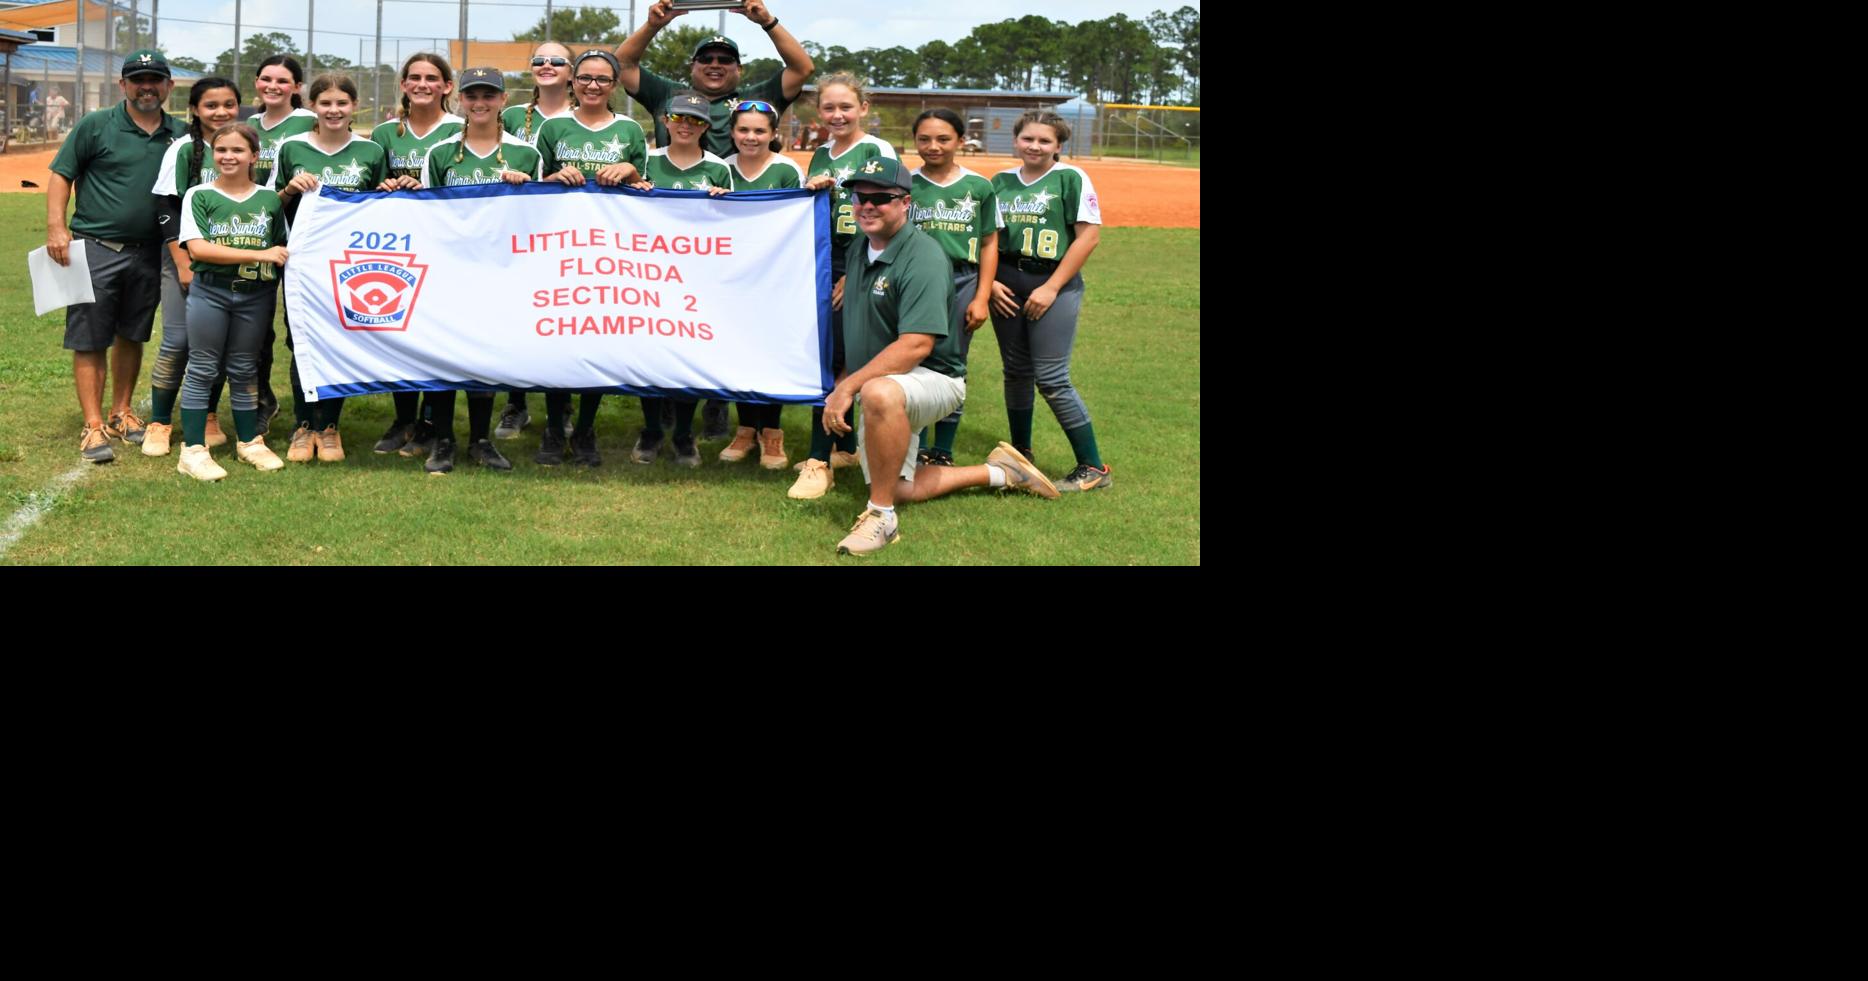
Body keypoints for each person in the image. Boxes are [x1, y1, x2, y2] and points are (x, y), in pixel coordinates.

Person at [821, 158, 1056, 556]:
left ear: (905, 203)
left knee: (877, 394)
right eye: (860, 196)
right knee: (896, 483)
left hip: (934, 378)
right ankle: (1001, 472)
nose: (867, 205)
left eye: (881, 197)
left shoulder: (924, 257)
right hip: (891, 381)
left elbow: (917, 345)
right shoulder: (864, 244)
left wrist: (847, 388)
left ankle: (881, 518)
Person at [616, 0, 815, 441]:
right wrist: (653, 25)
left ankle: (717, 402)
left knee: (720, 318)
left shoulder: (756, 100)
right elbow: (622, 63)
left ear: (739, 70)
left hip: (728, 234)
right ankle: (667, 398)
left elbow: (801, 68)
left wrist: (767, 21)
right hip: (666, 236)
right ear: (692, 66)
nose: (715, 65)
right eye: (706, 58)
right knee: (666, 318)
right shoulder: (666, 94)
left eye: (725, 60)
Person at [45, 49, 186, 463]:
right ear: (122, 85)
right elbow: (61, 174)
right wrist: (57, 225)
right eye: (138, 79)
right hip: (95, 247)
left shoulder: (179, 134)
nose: (147, 86)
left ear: (168, 86)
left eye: (155, 79)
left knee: (132, 333)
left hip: (150, 253)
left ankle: (122, 412)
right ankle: (92, 425)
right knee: (89, 338)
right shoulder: (96, 125)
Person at [416, 66, 544, 473]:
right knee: (445, 356)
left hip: (501, 271)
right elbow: (424, 212)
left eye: (490, 95)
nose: (480, 103)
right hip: (450, 269)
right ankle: (444, 441)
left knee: (485, 357)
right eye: (473, 95)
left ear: (504, 100)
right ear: (461, 101)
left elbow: (539, 218)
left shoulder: (527, 154)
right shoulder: (439, 153)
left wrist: (524, 187)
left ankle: (481, 440)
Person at [534, 49, 649, 468]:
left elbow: (646, 189)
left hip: (608, 253)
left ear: (614, 85)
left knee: (596, 339)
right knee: (557, 337)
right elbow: (531, 186)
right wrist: (551, 178)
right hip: (560, 247)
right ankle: (552, 425)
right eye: (585, 78)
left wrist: (632, 173)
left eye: (602, 79)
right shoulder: (553, 127)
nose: (593, 86)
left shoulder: (631, 130)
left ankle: (585, 428)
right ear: (572, 82)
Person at [271, 73, 390, 464]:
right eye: (326, 103)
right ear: (313, 106)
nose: (334, 110)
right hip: (303, 263)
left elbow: (378, 209)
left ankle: (329, 427)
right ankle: (304, 425)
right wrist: (290, 189)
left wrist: (388, 192)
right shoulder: (291, 147)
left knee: (338, 339)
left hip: (350, 262)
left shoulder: (370, 152)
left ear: (354, 106)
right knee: (300, 341)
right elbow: (272, 205)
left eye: (341, 103)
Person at [989, 110, 1110, 492]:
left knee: (1052, 377)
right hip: (1007, 281)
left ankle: (1093, 467)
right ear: (1016, 140)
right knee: (1016, 370)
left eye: (1044, 140)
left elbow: (1088, 237)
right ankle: (1021, 452)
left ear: (1059, 146)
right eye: (1028, 138)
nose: (1035, 146)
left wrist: (1052, 288)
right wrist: (989, 282)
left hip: (1051, 281)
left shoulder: (1069, 177)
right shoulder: (1001, 181)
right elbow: (988, 238)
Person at [789, 71, 894, 500]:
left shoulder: (877, 149)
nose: (837, 114)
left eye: (846, 106)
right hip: (826, 260)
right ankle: (845, 447)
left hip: (865, 260)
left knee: (843, 359)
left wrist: (856, 271)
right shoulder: (819, 153)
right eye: (829, 107)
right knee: (831, 354)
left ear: (863, 108)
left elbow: (890, 214)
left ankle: (818, 459)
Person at [172, 122, 290, 480]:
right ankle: (193, 450)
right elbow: (199, 248)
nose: (228, 156)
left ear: (254, 156)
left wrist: (270, 257)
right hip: (212, 291)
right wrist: (259, 255)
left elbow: (281, 248)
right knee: (203, 367)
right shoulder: (200, 194)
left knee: (243, 367)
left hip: (256, 295)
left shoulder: (269, 199)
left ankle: (249, 441)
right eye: (221, 150)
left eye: (238, 150)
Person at [622, 89, 731, 469]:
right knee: (648, 354)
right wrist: (634, 183)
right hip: (647, 274)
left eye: (696, 120)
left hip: (695, 278)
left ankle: (684, 432)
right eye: (680, 118)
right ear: (666, 120)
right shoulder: (647, 161)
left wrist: (724, 199)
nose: (687, 126)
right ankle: (652, 428)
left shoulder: (718, 168)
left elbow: (726, 227)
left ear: (707, 126)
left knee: (689, 355)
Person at [369, 52, 463, 461]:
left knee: (439, 334)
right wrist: (390, 186)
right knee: (400, 331)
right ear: (404, 85)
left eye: (432, 78)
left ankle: (431, 422)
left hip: (449, 247)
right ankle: (404, 417)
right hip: (399, 246)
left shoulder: (461, 128)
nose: (423, 84)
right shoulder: (385, 133)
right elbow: (370, 187)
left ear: (447, 86)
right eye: (414, 77)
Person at [143, 76, 244, 459]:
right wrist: (183, 265)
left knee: (214, 345)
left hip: (227, 263)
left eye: (229, 104)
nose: (221, 112)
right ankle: (159, 421)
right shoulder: (184, 149)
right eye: (211, 106)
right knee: (178, 341)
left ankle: (207, 416)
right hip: (185, 260)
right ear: (195, 110)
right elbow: (166, 207)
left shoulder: (242, 147)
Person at [908, 107, 1001, 468]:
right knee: (913, 360)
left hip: (962, 280)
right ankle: (914, 446)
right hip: (915, 282)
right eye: (924, 139)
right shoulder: (907, 183)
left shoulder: (978, 186)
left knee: (952, 363)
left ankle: (942, 450)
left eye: (944, 138)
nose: (934, 146)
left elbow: (990, 241)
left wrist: (982, 295)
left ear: (960, 141)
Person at [494, 39, 576, 441]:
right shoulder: (510, 115)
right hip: (516, 226)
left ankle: (562, 405)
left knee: (562, 317)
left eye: (557, 60)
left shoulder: (583, 115)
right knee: (516, 315)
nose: (547, 65)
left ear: (571, 72)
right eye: (539, 59)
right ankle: (517, 403)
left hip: (568, 230)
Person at [717, 98, 805, 470]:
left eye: (759, 131)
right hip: (731, 278)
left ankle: (772, 431)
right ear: (732, 132)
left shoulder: (786, 170)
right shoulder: (720, 169)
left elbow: (798, 221)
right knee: (740, 352)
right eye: (743, 130)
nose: (750, 137)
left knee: (771, 352)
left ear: (773, 134)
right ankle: (745, 429)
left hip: (775, 277)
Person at [244, 56, 318, 431]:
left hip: (301, 240)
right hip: (252, 235)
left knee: (298, 325)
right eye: (266, 79)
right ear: (256, 82)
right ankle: (261, 399)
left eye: (283, 80)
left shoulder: (309, 123)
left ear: (298, 87)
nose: (273, 86)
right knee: (254, 326)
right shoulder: (246, 126)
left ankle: (311, 412)